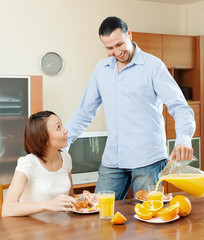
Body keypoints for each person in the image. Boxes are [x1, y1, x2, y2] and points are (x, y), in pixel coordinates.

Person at [65, 16, 196, 200]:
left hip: (148, 160)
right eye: (109, 48)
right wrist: (65, 142)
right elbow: (85, 111)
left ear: (130, 34)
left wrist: (183, 139)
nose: (116, 52)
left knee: (148, 216)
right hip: (113, 159)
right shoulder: (101, 70)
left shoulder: (153, 66)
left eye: (120, 44)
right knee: (100, 212)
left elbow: (180, 107)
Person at [2, 111, 76, 217]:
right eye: (58, 127)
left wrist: (89, 198)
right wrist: (48, 205)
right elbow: (7, 209)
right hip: (32, 229)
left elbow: (71, 195)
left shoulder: (66, 158)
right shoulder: (28, 163)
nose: (65, 130)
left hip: (61, 227)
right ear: (43, 137)